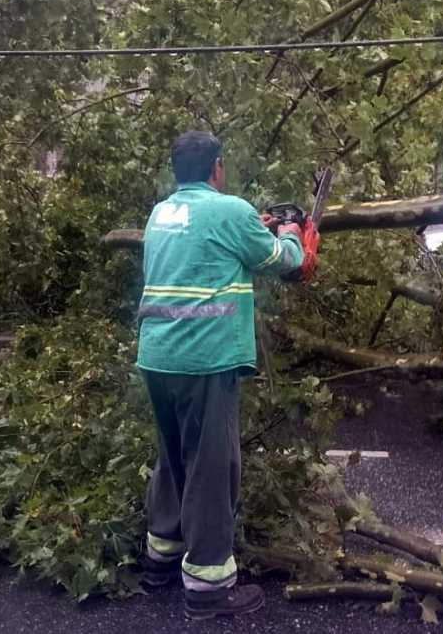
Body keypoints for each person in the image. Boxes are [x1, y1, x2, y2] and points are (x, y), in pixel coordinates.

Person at [135, 130, 304, 620]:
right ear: (217, 167)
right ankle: (208, 586)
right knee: (211, 467)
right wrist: (290, 231)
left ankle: (159, 560)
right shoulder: (231, 210)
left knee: (174, 456)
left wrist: (259, 223)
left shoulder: (161, 213)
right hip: (204, 358)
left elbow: (207, 246)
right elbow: (284, 261)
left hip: (157, 355)